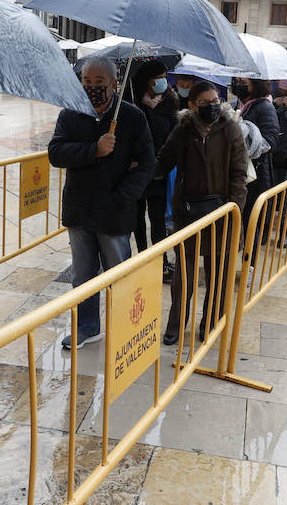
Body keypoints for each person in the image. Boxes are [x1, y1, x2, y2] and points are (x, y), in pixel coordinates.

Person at [47, 57, 155, 348]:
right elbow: (56, 153)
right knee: (83, 275)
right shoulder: (71, 113)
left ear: (114, 84)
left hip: (114, 213)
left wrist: (121, 198)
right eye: (86, 82)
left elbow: (146, 164)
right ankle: (87, 327)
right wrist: (94, 150)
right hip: (80, 209)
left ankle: (124, 327)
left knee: (118, 273)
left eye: (99, 83)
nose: (92, 88)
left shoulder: (132, 117)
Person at [154, 81, 247, 345]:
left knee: (218, 275)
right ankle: (175, 325)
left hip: (223, 214)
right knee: (183, 277)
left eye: (216, 101)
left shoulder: (230, 129)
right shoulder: (183, 130)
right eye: (205, 103)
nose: (213, 106)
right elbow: (163, 161)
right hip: (188, 214)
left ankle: (210, 323)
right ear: (193, 105)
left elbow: (239, 174)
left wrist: (233, 209)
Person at [130, 62, 177, 280]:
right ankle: (141, 258)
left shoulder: (169, 102)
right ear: (148, 80)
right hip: (137, 172)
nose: (163, 82)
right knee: (137, 219)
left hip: (159, 171)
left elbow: (174, 135)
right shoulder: (132, 105)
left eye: (164, 77)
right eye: (159, 77)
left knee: (157, 219)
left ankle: (161, 262)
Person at [232, 78, 281, 221]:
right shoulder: (239, 105)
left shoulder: (265, 107)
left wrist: (246, 133)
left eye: (243, 83)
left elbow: (270, 142)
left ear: (256, 84)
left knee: (251, 218)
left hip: (256, 174)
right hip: (238, 171)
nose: (238, 85)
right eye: (237, 81)